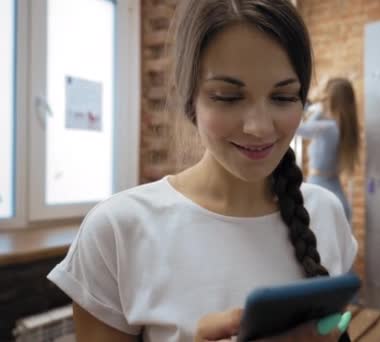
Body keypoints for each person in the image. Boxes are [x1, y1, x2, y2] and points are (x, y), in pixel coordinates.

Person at [46, 1, 357, 341]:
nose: (258, 127)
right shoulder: (117, 230)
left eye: (283, 97)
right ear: (188, 96)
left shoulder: (325, 213)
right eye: (227, 96)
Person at [295, 78, 361, 223]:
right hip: (334, 194)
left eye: (325, 97)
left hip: (323, 192)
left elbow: (298, 129)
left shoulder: (329, 128)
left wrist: (318, 109)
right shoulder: (341, 128)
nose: (322, 99)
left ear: (332, 100)